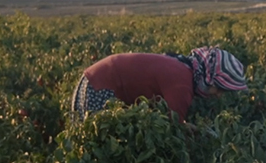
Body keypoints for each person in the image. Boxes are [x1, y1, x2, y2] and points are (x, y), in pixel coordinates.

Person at [70, 46, 248, 122]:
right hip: (101, 86)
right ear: (210, 78)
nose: (218, 95)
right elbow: (172, 128)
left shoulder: (184, 70)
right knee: (94, 144)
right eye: (220, 89)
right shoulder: (183, 85)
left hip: (97, 78)